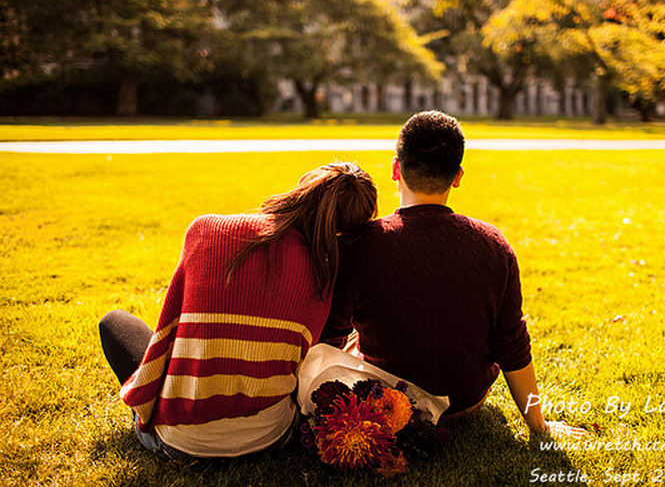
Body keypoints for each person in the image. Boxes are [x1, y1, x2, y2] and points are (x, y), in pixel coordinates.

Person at [322, 111, 586, 438]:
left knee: (350, 340)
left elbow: (329, 339)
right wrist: (539, 425)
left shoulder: (360, 245)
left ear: (395, 169)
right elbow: (511, 343)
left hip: (389, 402)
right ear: (458, 176)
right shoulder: (494, 245)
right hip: (466, 400)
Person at [99, 161, 378, 459]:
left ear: (302, 190)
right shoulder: (326, 276)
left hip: (180, 440)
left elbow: (169, 332)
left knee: (115, 323)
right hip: (270, 438)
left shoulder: (206, 229)